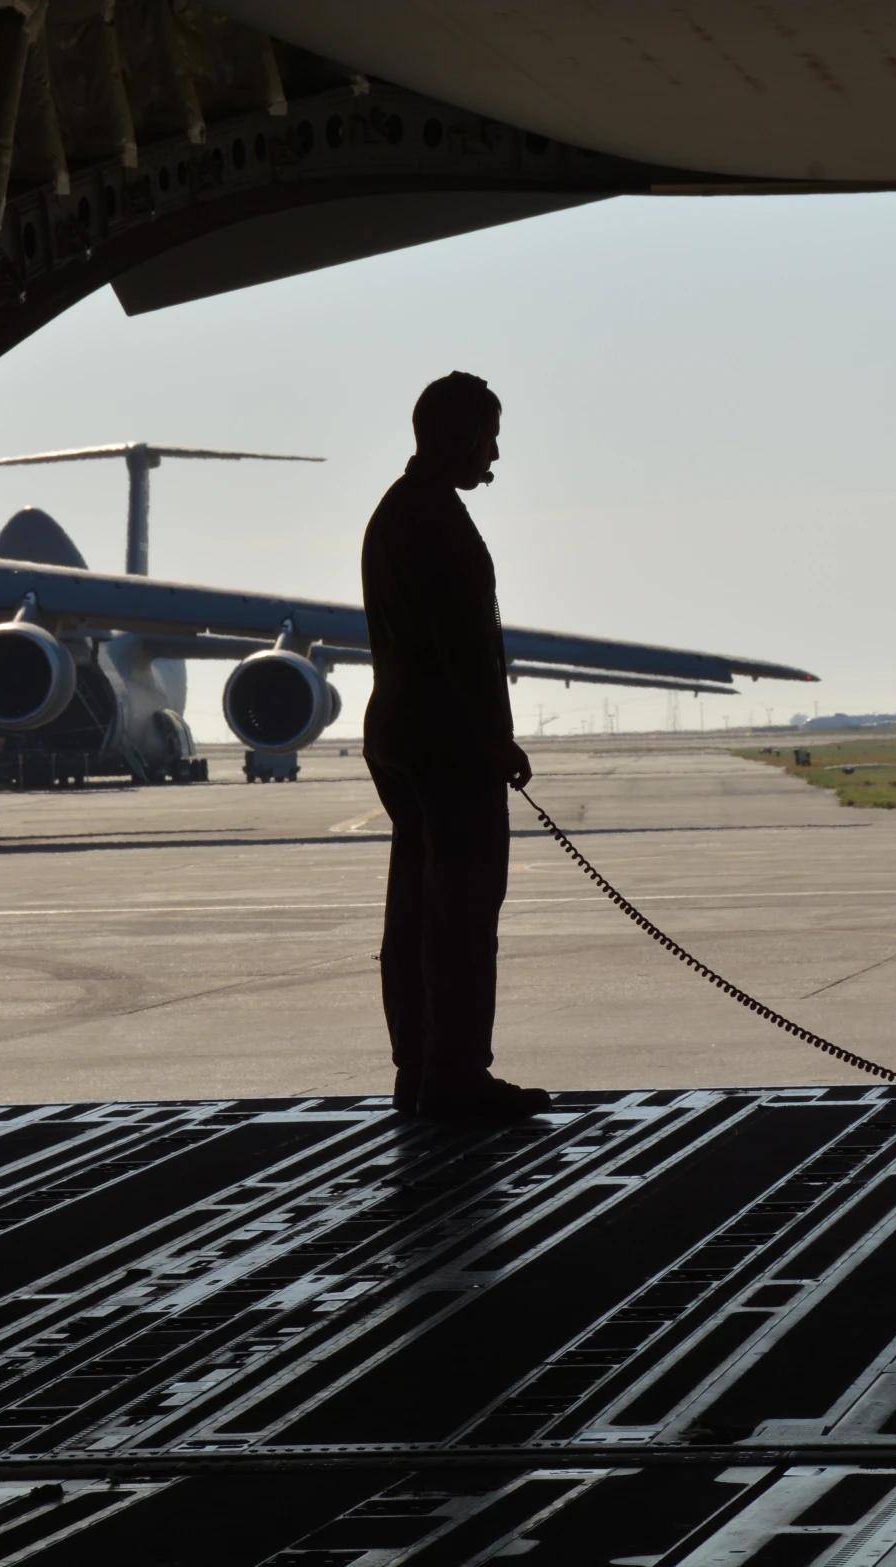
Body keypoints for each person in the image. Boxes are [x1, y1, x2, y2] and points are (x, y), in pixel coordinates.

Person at [361, 373, 550, 1120]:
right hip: (447, 743)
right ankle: (456, 1073)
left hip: (402, 734)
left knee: (414, 908)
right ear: (464, 435)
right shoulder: (435, 521)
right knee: (463, 914)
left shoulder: (397, 513)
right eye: (491, 436)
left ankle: (418, 1067)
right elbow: (462, 650)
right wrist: (494, 741)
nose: (496, 455)